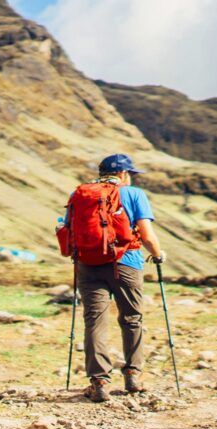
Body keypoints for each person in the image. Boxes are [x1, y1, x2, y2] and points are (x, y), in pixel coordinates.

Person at [69, 154, 165, 402]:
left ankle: (99, 381)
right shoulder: (134, 195)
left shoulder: (79, 194)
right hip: (127, 263)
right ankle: (133, 375)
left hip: (88, 264)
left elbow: (67, 228)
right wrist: (158, 255)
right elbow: (147, 234)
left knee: (95, 320)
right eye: (131, 174)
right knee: (132, 318)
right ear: (123, 174)